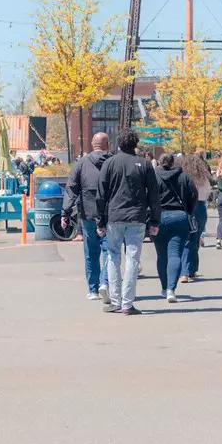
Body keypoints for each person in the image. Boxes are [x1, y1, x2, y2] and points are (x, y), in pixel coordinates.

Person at [98, 131, 157, 315]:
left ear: (119, 144)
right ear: (135, 144)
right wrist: (155, 220)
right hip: (137, 217)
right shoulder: (145, 164)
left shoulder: (110, 163)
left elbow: (101, 194)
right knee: (132, 258)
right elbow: (154, 195)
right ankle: (127, 303)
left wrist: (100, 221)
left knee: (113, 256)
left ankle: (115, 300)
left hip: (114, 216)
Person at [66, 133, 113, 302]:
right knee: (109, 251)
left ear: (92, 144)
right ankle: (105, 283)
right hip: (109, 214)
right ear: (107, 144)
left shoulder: (82, 163)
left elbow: (71, 187)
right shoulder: (113, 161)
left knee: (91, 252)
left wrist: (66, 210)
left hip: (87, 212)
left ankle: (92, 289)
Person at [153, 152, 199, 304]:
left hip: (158, 217)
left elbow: (147, 196)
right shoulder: (183, 176)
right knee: (175, 254)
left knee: (161, 255)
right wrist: (189, 210)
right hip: (179, 216)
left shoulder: (154, 176)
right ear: (173, 162)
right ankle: (171, 289)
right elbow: (193, 194)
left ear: (159, 162)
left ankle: (164, 287)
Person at [180, 149, 213, 282]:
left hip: (187, 207)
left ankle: (185, 271)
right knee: (195, 238)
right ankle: (192, 268)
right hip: (200, 207)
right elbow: (207, 192)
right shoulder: (203, 177)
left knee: (187, 239)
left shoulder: (183, 177)